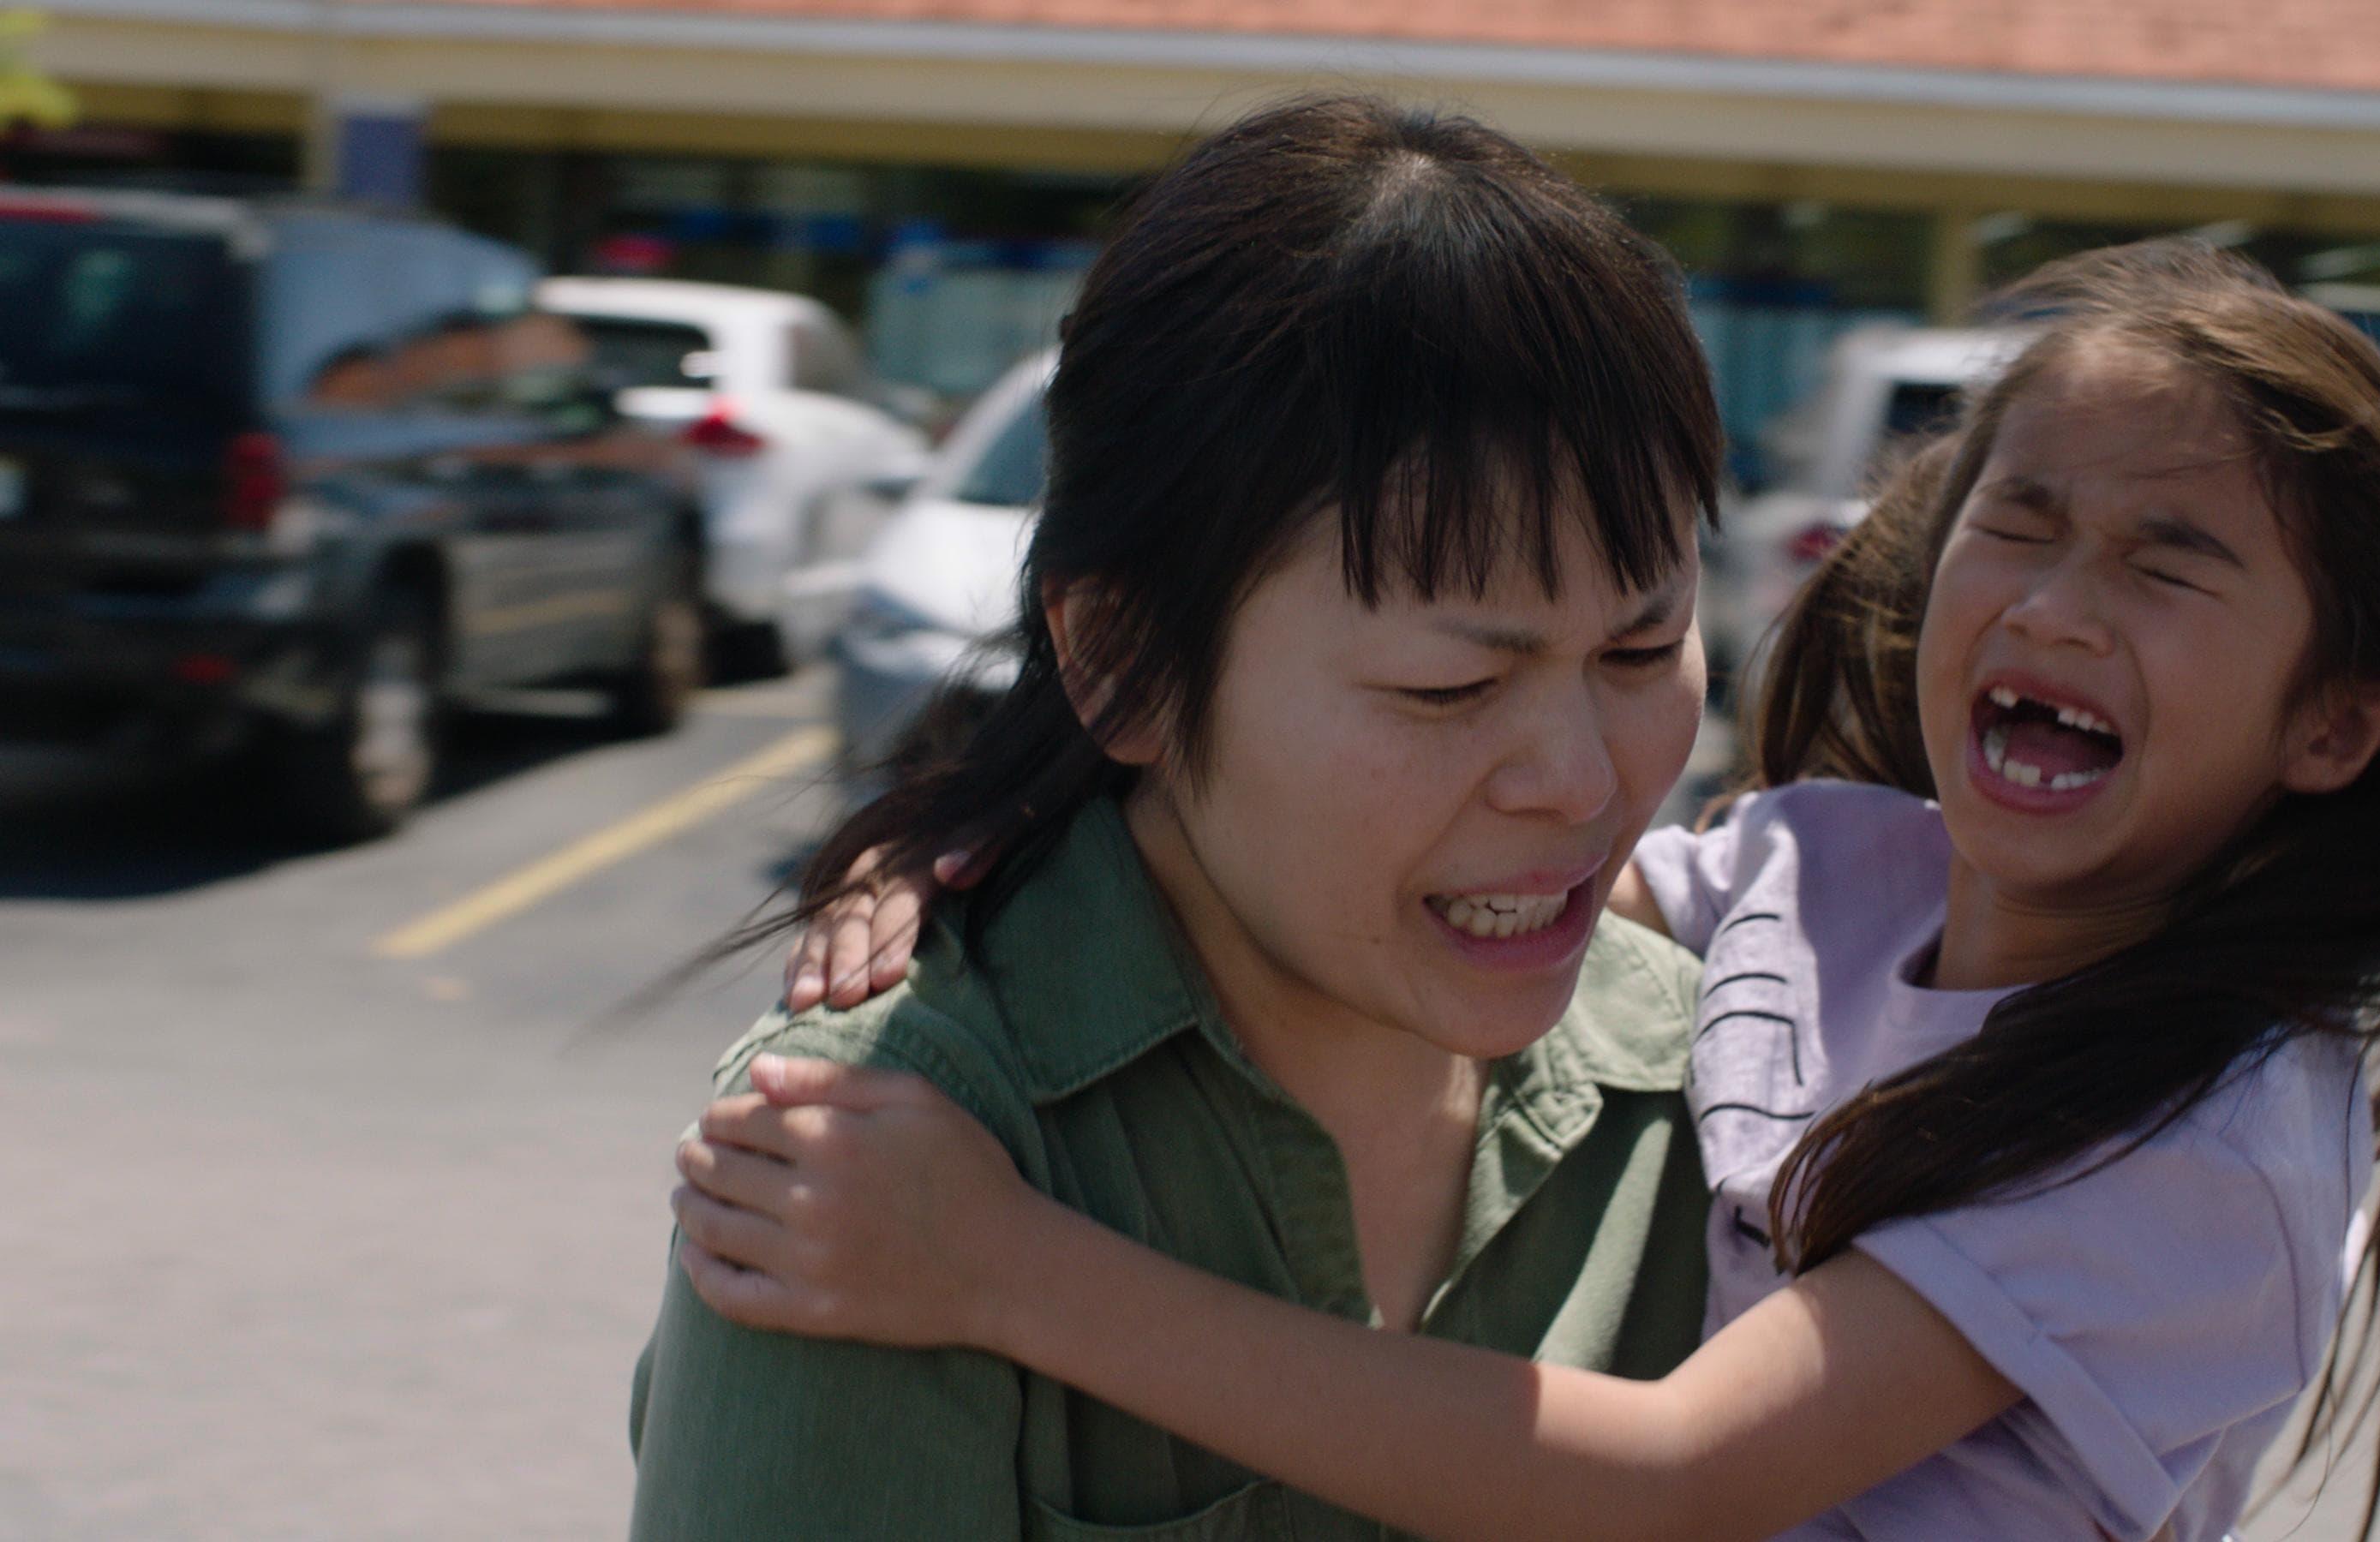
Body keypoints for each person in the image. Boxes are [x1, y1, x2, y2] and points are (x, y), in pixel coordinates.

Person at [676, 242, 2380, 1541]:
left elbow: (1673, 1480)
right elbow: (1432, 873)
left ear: (2337, 718)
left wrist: (1005, 1270)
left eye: (2172, 563)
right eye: (2025, 515)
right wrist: (973, 832)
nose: (2060, 601)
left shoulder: (2212, 1136)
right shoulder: (1824, 873)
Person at [627, 96, 1734, 1539]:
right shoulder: (878, 1155)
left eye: (1643, 654)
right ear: (1122, 665)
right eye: (1451, 685)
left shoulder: (1730, 1090)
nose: (1583, 783)